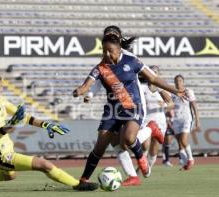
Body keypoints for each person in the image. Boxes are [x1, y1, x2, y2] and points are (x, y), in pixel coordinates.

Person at [73, 25, 186, 186]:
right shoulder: (101, 67)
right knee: (100, 146)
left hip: (134, 106)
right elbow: (87, 85)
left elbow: (153, 79)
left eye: (109, 51)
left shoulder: (131, 60)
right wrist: (79, 91)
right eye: (103, 50)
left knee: (128, 138)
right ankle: (83, 180)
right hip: (112, 110)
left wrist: (175, 90)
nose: (106, 54)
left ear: (119, 49)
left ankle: (141, 159)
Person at [0, 71, 98, 191]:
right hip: (2, 156)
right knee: (44, 164)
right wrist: (13, 123)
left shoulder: (0, 101)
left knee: (9, 176)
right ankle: (78, 185)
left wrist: (47, 125)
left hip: (7, 151)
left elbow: (25, 117)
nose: (2, 89)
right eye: (0, 86)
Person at [140, 65, 174, 170]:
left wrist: (164, 106)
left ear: (158, 74)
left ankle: (148, 168)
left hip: (160, 121)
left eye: (155, 72)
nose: (153, 74)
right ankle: (142, 166)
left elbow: (171, 105)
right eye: (151, 72)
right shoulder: (142, 88)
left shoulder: (164, 88)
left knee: (154, 148)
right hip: (146, 119)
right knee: (145, 145)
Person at [172, 75, 200, 170]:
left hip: (187, 119)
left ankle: (191, 159)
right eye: (176, 81)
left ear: (183, 82)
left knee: (183, 140)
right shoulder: (172, 93)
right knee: (180, 144)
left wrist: (197, 119)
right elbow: (170, 106)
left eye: (180, 80)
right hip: (176, 120)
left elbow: (194, 105)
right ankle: (185, 164)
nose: (178, 82)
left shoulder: (188, 91)